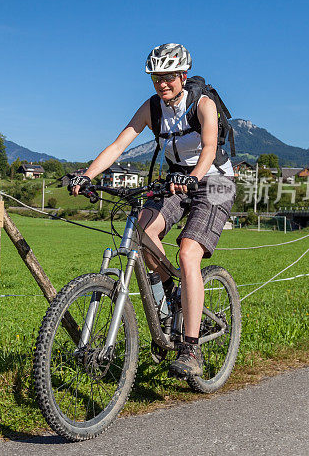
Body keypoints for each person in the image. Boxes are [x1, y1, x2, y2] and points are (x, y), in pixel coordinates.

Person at [69, 43, 236, 378]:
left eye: (169, 77)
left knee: (189, 253)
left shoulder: (203, 104)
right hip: (176, 180)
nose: (163, 83)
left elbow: (208, 147)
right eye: (157, 77)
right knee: (143, 231)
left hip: (215, 181)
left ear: (183, 76)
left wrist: (192, 177)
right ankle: (173, 295)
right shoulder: (151, 109)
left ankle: (191, 349)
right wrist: (87, 175)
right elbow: (119, 145)